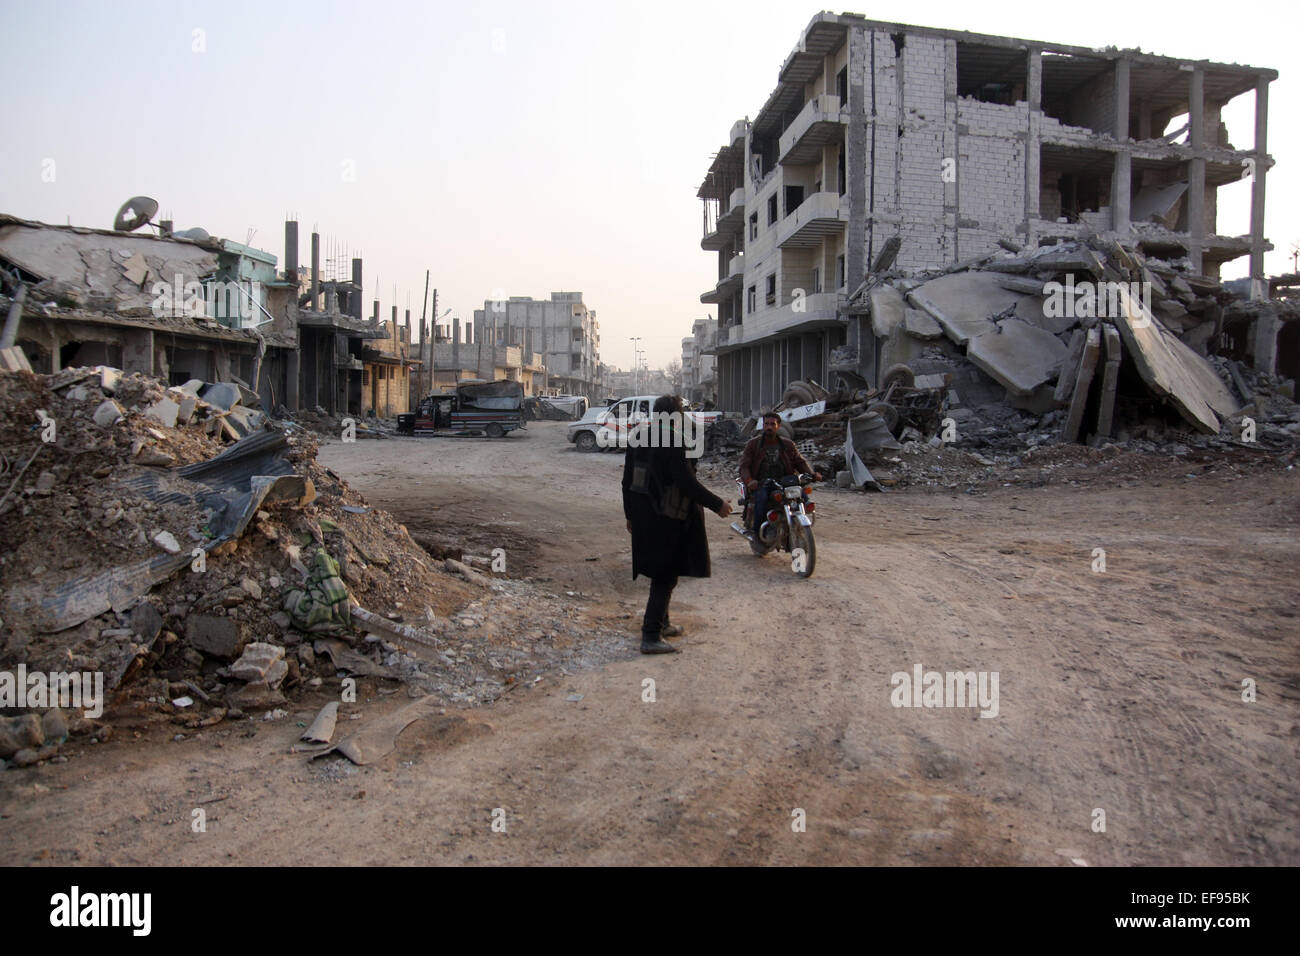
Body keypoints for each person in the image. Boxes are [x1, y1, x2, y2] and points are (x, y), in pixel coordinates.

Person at [622, 395, 733, 654]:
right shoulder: (673, 439)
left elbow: (627, 481)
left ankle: (663, 624)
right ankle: (650, 635)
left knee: (662, 570)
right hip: (667, 517)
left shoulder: (638, 437)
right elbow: (686, 483)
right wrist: (718, 505)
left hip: (644, 516)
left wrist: (629, 515)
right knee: (665, 575)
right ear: (675, 415)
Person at [739, 411, 822, 540]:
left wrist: (812, 474)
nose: (769, 427)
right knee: (761, 500)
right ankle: (758, 534)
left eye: (772, 424)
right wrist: (750, 480)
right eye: (766, 424)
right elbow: (744, 466)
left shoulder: (788, 444)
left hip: (785, 481)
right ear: (763, 425)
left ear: (778, 426)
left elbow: (800, 462)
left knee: (802, 495)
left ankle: (800, 522)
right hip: (763, 482)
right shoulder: (753, 444)